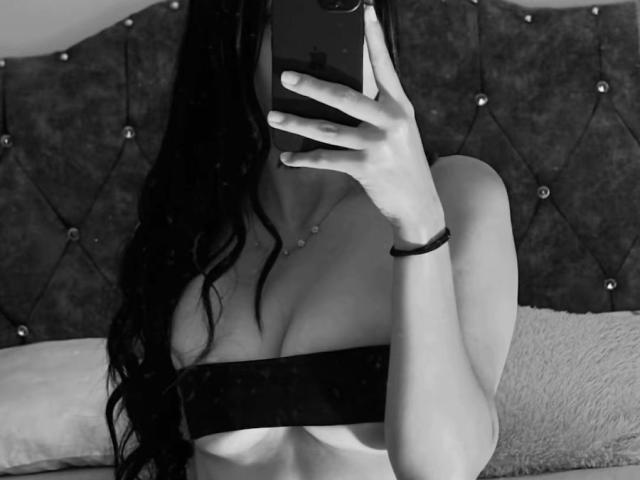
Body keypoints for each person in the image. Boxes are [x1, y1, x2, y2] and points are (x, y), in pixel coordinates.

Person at [105, 0, 519, 479]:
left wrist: (418, 224)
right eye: (285, 19)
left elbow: (444, 469)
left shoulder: (457, 194)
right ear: (231, 39)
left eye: (345, 9)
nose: (321, 50)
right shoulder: (195, 232)